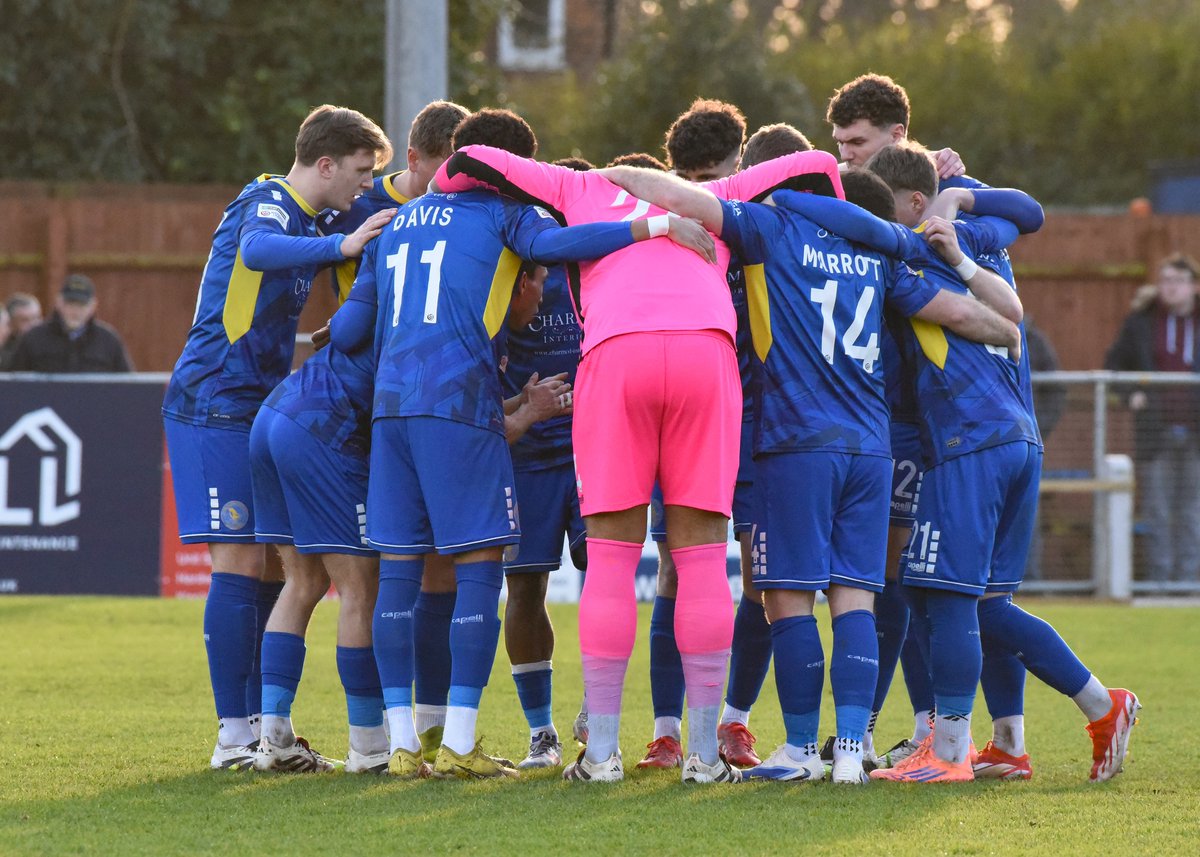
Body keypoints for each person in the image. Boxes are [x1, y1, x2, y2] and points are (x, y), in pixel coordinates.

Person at [436, 138, 843, 784]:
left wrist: (438, 195)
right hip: (705, 351)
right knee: (704, 551)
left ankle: (600, 754)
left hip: (615, 352)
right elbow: (819, 163)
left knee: (614, 553)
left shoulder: (577, 189)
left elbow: (470, 158)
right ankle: (704, 757)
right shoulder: (716, 194)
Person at [336, 108, 716, 781]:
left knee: (398, 574)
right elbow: (564, 244)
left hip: (391, 409)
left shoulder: (396, 227)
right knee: (482, 571)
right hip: (461, 405)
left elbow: (349, 331)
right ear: (518, 173)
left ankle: (401, 744)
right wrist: (653, 224)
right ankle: (456, 743)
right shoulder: (506, 215)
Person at [837, 144, 1140, 784]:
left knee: (942, 595)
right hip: (1014, 436)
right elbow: (1018, 258)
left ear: (912, 204)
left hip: (968, 442)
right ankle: (1078, 714)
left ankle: (947, 754)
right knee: (982, 601)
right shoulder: (977, 243)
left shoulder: (910, 250)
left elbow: (996, 315)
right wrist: (960, 210)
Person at [162, 104, 396, 771]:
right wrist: (342, 247)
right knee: (239, 563)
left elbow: (380, 212)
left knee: (279, 565)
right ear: (324, 163)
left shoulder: (314, 217)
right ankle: (232, 737)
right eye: (357, 171)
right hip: (213, 401)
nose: (361, 184)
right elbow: (258, 253)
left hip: (257, 406)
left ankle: (268, 732)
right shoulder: (266, 202)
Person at [1105, 252, 1200, 584]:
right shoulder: (1141, 322)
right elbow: (1114, 365)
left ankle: (1188, 583)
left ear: (1193, 286)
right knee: (1157, 509)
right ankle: (1162, 581)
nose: (1170, 288)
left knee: (1192, 511)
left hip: (1195, 432)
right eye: (1165, 281)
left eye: (1178, 281)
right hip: (1154, 432)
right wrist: (1132, 393)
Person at [9, 275, 132, 372]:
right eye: (70, 304)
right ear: (59, 302)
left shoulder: (108, 340)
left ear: (93, 306)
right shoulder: (34, 338)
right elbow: (15, 383)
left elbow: (125, 385)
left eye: (81, 305)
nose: (75, 311)